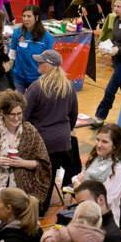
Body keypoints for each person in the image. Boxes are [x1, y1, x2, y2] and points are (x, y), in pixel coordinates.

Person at [0, 90, 52, 207]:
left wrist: (22, 163)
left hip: (23, 191)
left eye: (19, 113)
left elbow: (42, 164)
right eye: (12, 114)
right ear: (3, 113)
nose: (16, 118)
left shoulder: (30, 132)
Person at [23, 49, 78, 187]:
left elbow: (23, 115)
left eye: (40, 62)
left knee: (40, 182)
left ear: (48, 66)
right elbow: (73, 115)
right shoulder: (69, 86)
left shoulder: (36, 87)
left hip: (42, 141)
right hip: (62, 142)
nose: (38, 64)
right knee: (50, 176)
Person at [10, 5, 54, 93]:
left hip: (37, 79)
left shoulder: (47, 37)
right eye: (24, 16)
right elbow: (12, 55)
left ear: (36, 17)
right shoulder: (17, 32)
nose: (25, 19)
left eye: (29, 16)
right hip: (18, 77)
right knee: (17, 100)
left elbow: (48, 62)